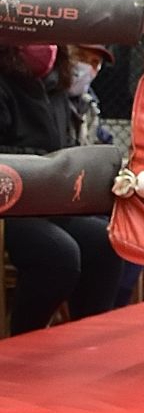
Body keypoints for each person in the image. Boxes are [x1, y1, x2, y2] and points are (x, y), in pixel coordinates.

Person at [0, 42, 127, 336]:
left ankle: (89, 339)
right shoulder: (6, 82)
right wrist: (44, 163)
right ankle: (23, 340)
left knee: (107, 241)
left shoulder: (56, 85)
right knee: (59, 254)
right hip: (9, 206)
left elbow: (64, 149)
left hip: (48, 201)